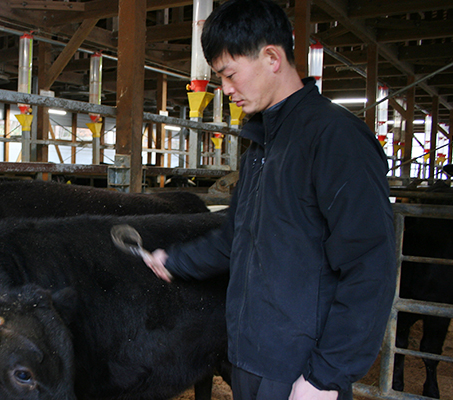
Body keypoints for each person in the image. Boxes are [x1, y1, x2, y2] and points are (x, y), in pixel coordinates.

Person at [144, 1, 396, 399]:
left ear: (272, 57)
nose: (225, 89)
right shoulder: (263, 146)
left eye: (230, 74)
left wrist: (325, 378)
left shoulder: (335, 138)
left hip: (299, 373)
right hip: (250, 358)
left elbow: (370, 267)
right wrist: (173, 261)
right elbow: (235, 238)